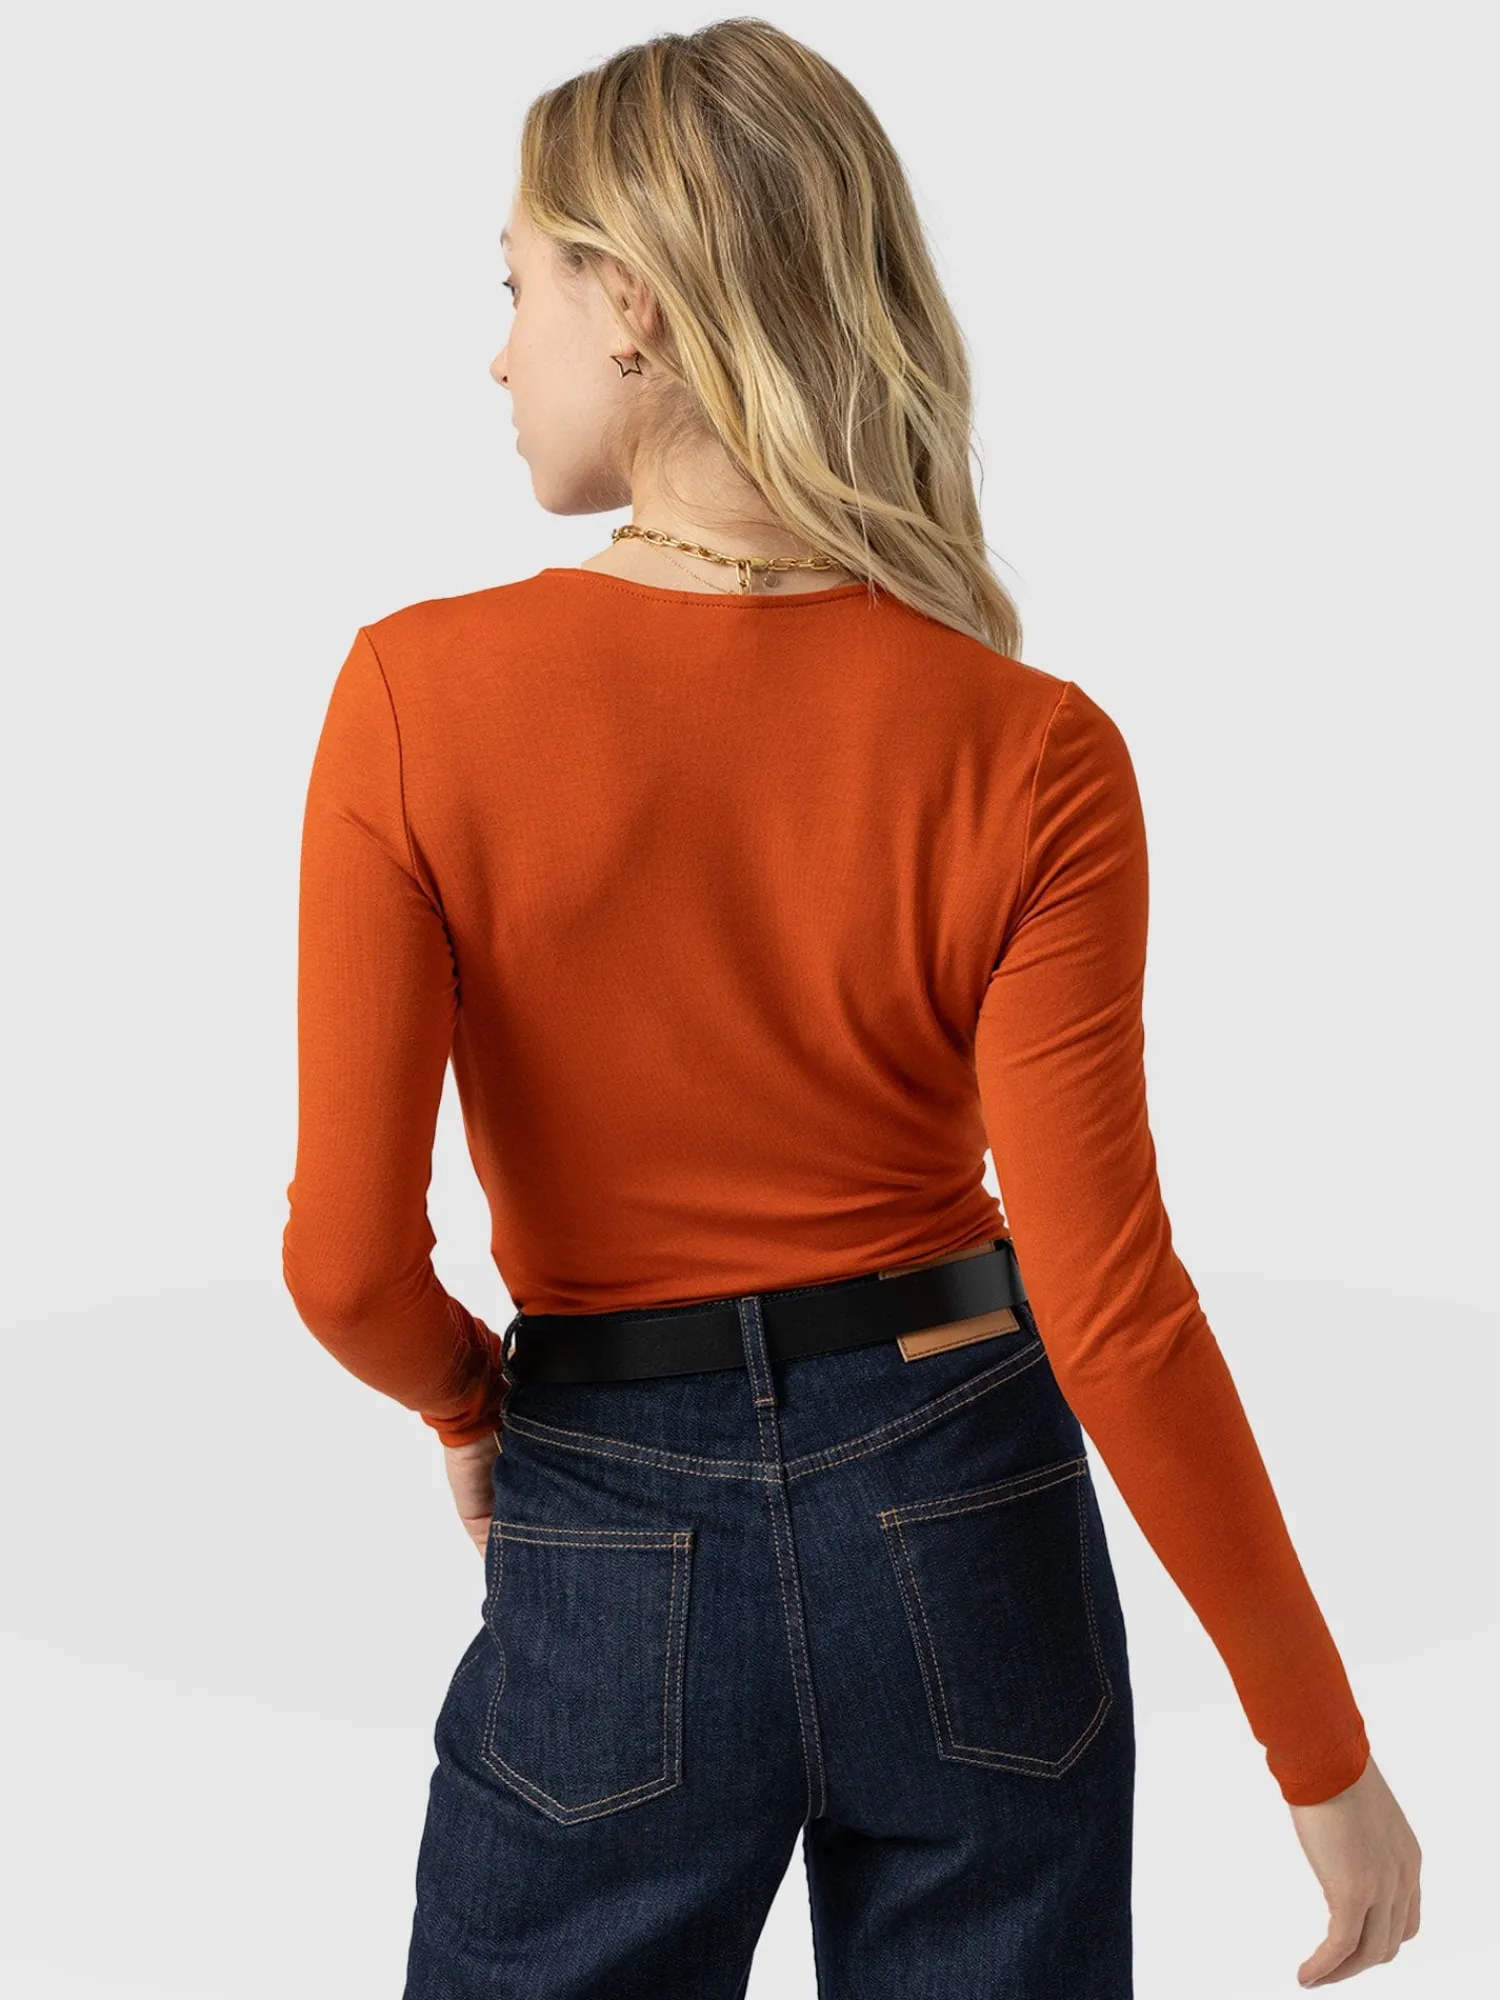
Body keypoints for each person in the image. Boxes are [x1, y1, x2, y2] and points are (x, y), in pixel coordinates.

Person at [280, 18, 1421, 1997]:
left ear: (632, 301)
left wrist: (472, 1400)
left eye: (515, 286)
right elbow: (1113, 1304)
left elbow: (346, 1268)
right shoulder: (1033, 747)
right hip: (967, 1496)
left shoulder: (413, 700)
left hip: (611, 1507)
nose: (499, 355)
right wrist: (1321, 1753)